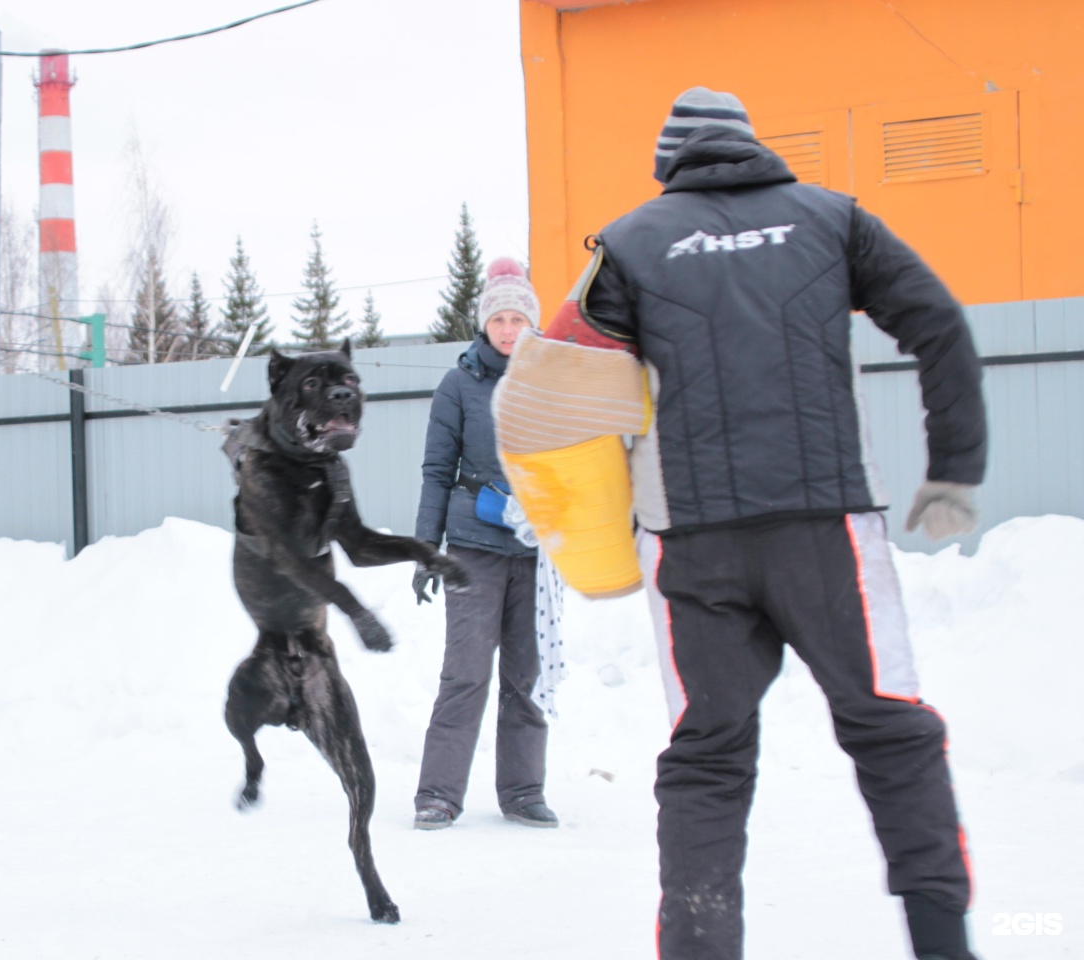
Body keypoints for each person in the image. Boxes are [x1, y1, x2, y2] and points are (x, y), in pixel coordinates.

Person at [571, 88, 987, 959]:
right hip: (827, 530)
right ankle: (945, 946)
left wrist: (589, 533)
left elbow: (548, 391)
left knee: (708, 758)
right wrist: (953, 467)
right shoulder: (833, 220)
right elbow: (939, 323)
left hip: (693, 547)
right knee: (890, 728)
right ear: (749, 148)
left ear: (668, 163)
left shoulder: (629, 244)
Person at [411, 257, 560, 831]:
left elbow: (575, 463)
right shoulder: (458, 385)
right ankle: (439, 794)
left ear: (530, 323)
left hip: (536, 549)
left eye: (517, 318)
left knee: (527, 677)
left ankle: (523, 790)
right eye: (498, 318)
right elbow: (435, 471)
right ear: (484, 323)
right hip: (472, 547)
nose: (507, 328)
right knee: (466, 673)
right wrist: (428, 549)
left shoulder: (550, 378)